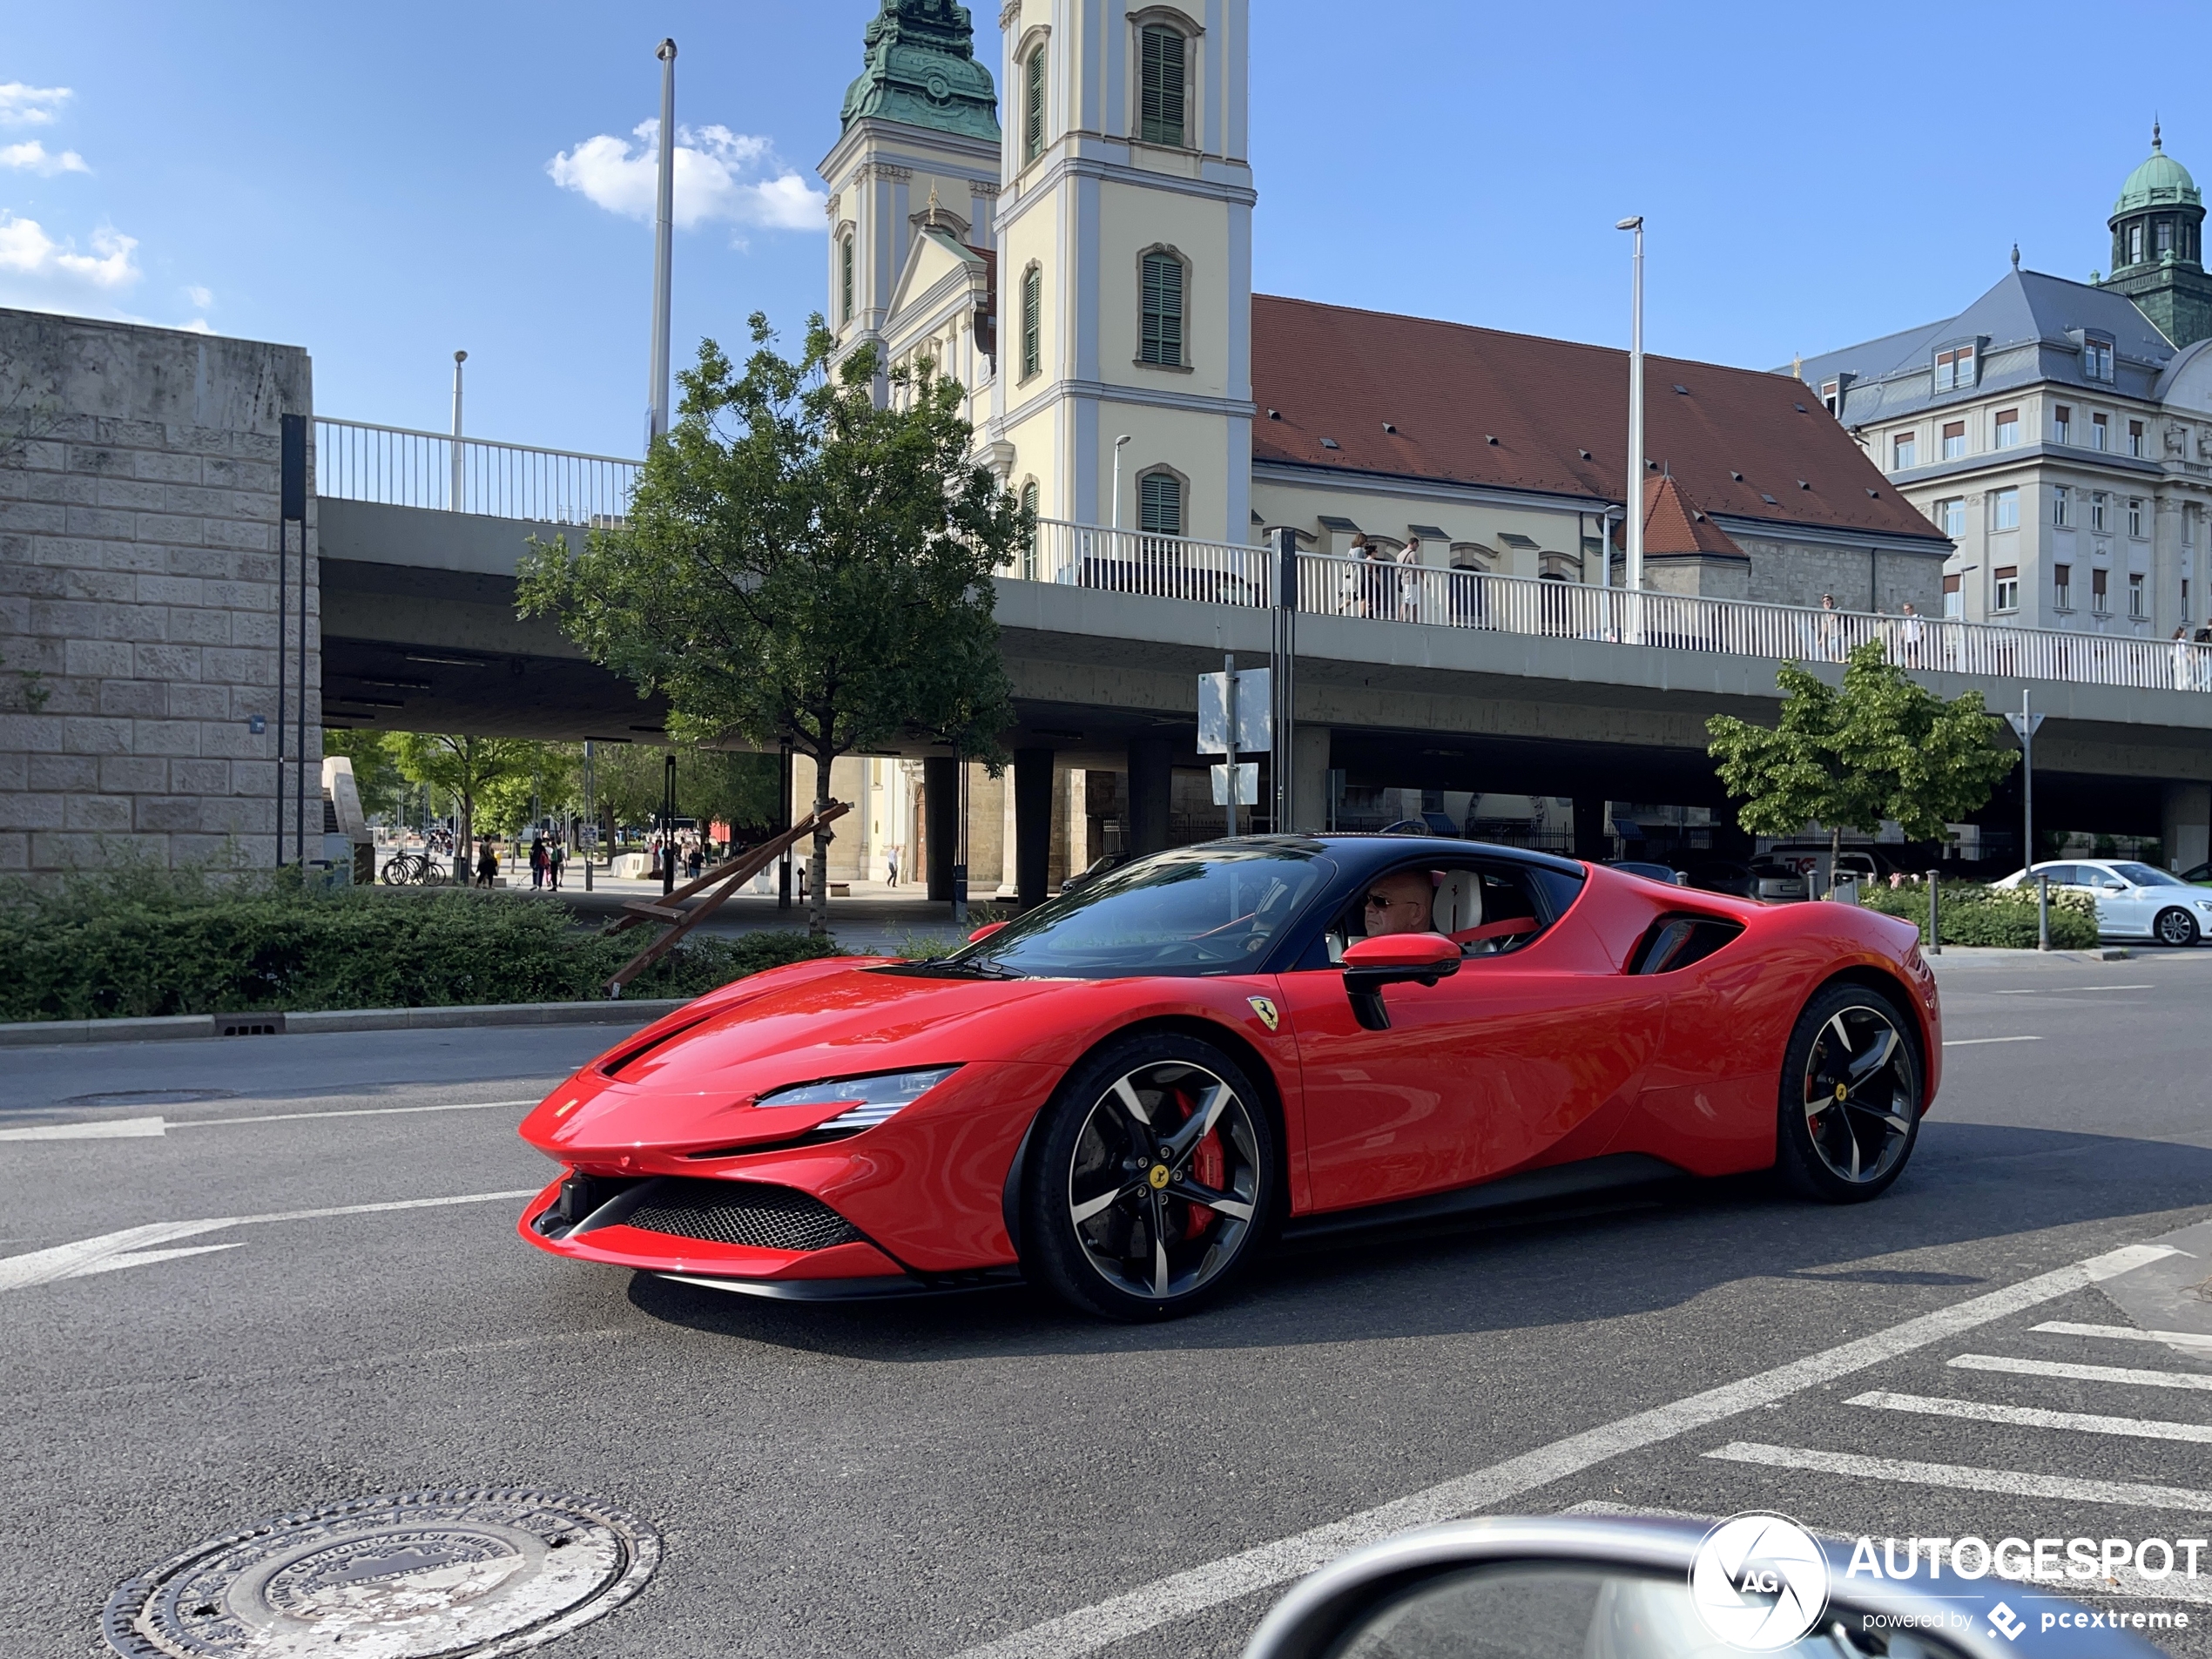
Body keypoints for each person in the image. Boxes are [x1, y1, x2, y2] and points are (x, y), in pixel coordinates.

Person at [1360, 868, 1437, 937]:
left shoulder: (1433, 951)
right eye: (1367, 899)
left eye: (1380, 901)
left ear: (1417, 914)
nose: (1368, 907)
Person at [1396, 536, 1423, 623]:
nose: (1417, 547)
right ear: (1414, 543)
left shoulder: (1400, 554)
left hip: (1403, 579)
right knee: (1407, 600)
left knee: (1413, 601)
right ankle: (1401, 619)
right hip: (1410, 580)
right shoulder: (1412, 554)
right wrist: (1424, 579)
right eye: (1417, 545)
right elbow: (1417, 567)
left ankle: (1413, 620)